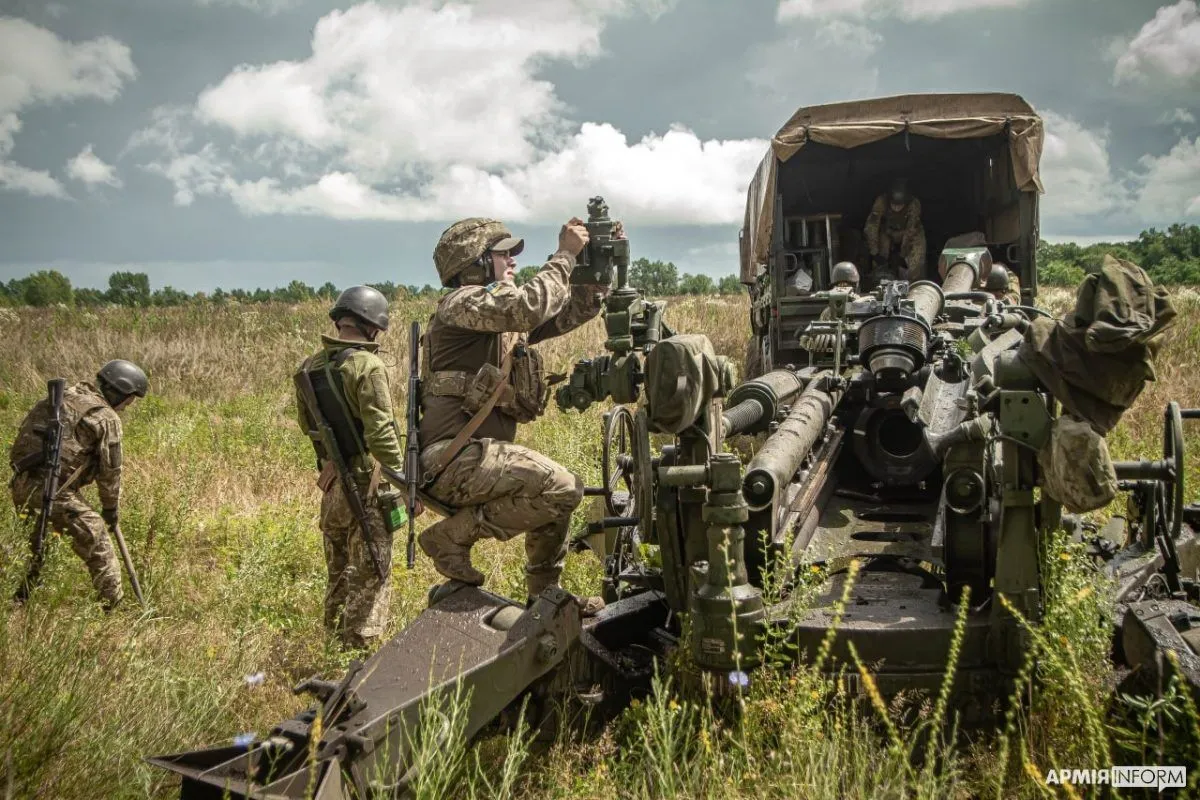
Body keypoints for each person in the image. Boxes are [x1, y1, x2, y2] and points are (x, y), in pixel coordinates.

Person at [417, 216, 608, 615]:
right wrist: (565, 255)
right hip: (452, 460)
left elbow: (569, 311)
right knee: (563, 487)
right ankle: (450, 538)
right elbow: (530, 305)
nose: (513, 262)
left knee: (554, 498)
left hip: (475, 457)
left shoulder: (496, 322)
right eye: (504, 254)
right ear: (475, 265)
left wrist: (597, 262)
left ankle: (545, 599)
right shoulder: (461, 304)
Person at [295, 286, 407, 649]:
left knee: (339, 574)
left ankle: (333, 648)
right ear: (373, 326)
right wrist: (404, 483)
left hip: (333, 488)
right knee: (372, 574)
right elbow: (382, 435)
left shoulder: (309, 368)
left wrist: (331, 464)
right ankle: (358, 660)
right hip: (369, 489)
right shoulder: (367, 366)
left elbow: (309, 427)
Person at [9, 359, 148, 608]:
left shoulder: (61, 397)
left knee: (40, 544)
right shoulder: (105, 417)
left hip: (21, 485)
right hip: (54, 492)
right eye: (129, 400)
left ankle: (21, 597)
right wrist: (110, 509)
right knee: (97, 541)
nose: (127, 407)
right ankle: (113, 607)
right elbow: (111, 472)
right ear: (119, 392)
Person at [863, 177, 926, 287]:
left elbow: (910, 231)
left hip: (911, 233)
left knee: (916, 263)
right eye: (894, 204)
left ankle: (914, 287)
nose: (896, 208)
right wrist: (875, 253)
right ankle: (879, 284)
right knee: (880, 262)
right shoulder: (881, 201)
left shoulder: (914, 204)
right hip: (888, 232)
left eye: (900, 205)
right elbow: (871, 227)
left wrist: (902, 255)